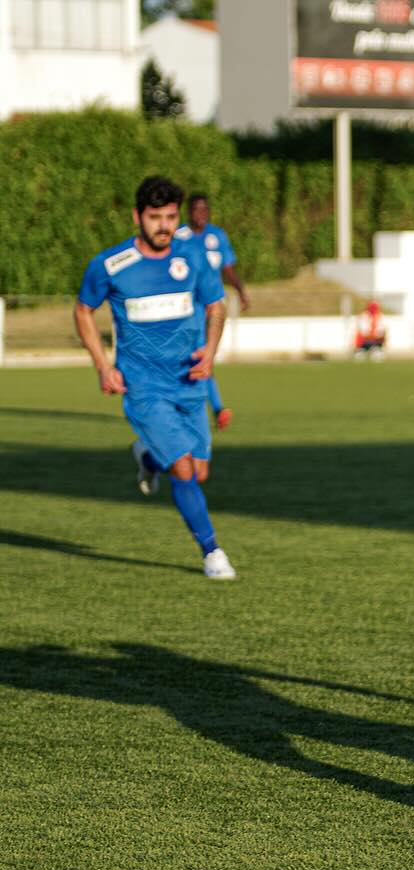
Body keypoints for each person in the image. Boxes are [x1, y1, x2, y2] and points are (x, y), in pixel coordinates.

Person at [73, 176, 235, 579]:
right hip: (143, 385)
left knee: (199, 473)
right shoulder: (111, 265)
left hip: (189, 379)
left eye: (169, 217)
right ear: (137, 217)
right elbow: (82, 311)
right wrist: (102, 365)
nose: (163, 225)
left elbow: (216, 304)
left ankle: (146, 456)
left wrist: (211, 351)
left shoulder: (192, 256)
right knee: (182, 469)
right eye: (154, 217)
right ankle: (212, 552)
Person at [176, 194, 247, 428]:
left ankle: (214, 408)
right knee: (195, 356)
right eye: (196, 210)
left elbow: (227, 267)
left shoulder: (217, 235)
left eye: (205, 210)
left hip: (211, 304)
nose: (201, 214)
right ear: (188, 212)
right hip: (187, 306)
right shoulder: (179, 237)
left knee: (203, 355)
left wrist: (241, 290)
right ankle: (210, 407)